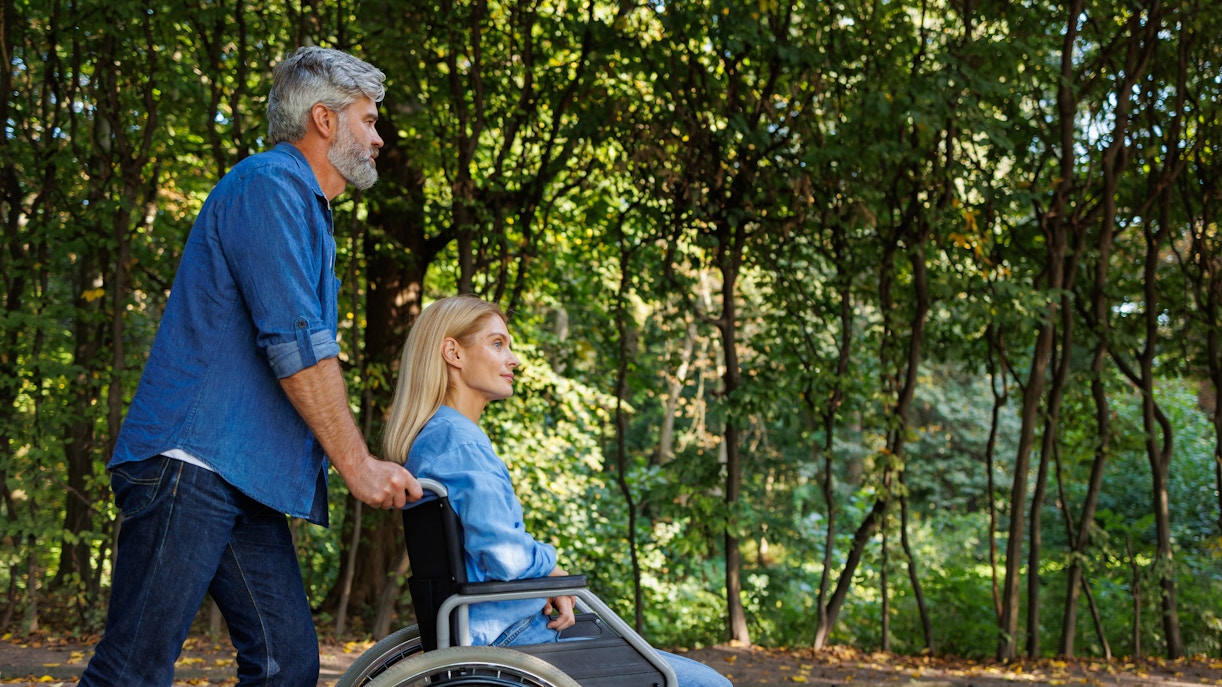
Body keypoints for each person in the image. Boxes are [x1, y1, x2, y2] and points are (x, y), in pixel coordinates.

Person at [78, 46, 422, 687]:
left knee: (286, 666)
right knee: (132, 670)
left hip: (241, 480)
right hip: (191, 465)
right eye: (369, 121)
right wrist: (358, 465)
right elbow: (297, 345)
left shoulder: (309, 210)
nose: (378, 139)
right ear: (325, 120)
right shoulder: (268, 187)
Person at [382, 295, 732, 687]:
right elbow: (505, 557)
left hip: (494, 630)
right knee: (709, 684)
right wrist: (552, 571)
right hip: (511, 641)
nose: (513, 359)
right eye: (498, 344)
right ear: (453, 353)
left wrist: (543, 586)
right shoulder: (459, 442)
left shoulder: (439, 437)